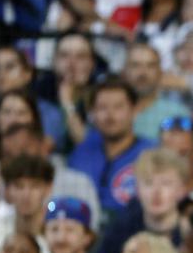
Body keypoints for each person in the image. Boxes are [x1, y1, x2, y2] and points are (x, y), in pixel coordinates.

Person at [67, 77, 156, 220]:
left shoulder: (152, 154)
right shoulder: (80, 154)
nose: (110, 115)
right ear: (92, 113)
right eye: (102, 108)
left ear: (134, 110)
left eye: (118, 107)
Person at [96, 148, 187, 253]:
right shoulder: (121, 230)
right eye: (148, 183)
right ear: (138, 190)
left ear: (181, 190)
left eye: (166, 183)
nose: (156, 192)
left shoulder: (192, 234)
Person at [123, 42, 189, 141]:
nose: (143, 73)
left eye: (151, 66)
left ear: (160, 72)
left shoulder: (177, 113)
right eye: (135, 65)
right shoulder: (109, 110)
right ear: (124, 72)